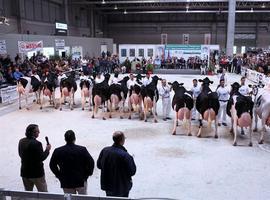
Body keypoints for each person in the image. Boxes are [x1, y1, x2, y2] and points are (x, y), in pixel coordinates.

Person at [49, 130, 94, 195]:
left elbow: (52, 165)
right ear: (74, 138)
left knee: (69, 198)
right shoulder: (82, 149)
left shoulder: (58, 151)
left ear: (65, 139)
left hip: (66, 181)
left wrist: (59, 175)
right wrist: (87, 174)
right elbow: (91, 162)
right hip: (80, 180)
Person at [97, 131, 136, 197]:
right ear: (122, 140)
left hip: (108, 185)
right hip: (122, 187)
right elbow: (132, 171)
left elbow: (99, 165)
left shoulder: (105, 150)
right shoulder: (126, 155)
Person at [18, 124, 51, 192]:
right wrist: (47, 150)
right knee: (43, 193)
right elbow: (42, 157)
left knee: (28, 193)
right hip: (37, 174)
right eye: (37, 131)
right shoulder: (37, 143)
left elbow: (20, 154)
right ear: (33, 133)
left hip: (25, 172)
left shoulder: (21, 141)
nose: (39, 132)